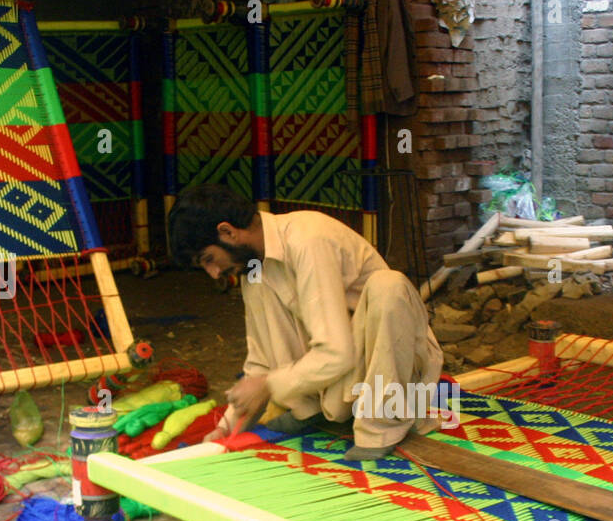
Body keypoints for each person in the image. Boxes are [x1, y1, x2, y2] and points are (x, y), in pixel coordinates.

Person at [166, 184, 445, 461]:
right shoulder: (254, 267)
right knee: (266, 294)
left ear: (228, 231)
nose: (214, 273)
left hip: (394, 373)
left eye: (209, 259)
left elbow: (338, 352)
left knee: (389, 285)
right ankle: (310, 409)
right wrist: (226, 427)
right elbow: (260, 361)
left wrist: (269, 385)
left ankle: (382, 427)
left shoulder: (308, 239)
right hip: (345, 378)